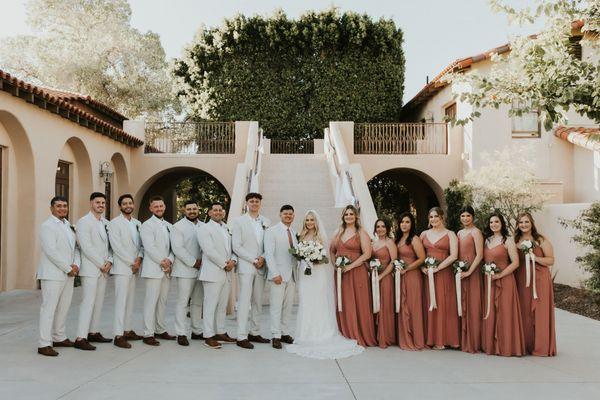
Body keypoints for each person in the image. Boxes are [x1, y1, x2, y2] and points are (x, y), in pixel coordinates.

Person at [285, 210, 363, 359]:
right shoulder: (300, 236)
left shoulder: (321, 237)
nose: (309, 223)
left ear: (316, 222)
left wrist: (315, 258)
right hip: (305, 273)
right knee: (306, 302)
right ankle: (306, 333)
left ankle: (322, 333)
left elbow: (326, 256)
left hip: (318, 273)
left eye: (311, 220)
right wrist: (304, 257)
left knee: (318, 302)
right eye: (307, 220)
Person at [37, 196, 80, 356]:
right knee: (49, 308)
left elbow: (75, 247)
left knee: (64, 307)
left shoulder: (68, 225)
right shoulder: (47, 226)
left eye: (65, 206)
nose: (62, 208)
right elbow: (50, 251)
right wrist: (67, 267)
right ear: (51, 208)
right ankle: (44, 343)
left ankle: (59, 336)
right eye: (59, 206)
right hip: (52, 274)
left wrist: (76, 265)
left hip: (69, 273)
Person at [329, 205, 377, 347]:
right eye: (346, 214)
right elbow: (332, 250)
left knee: (359, 302)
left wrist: (350, 266)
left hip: (357, 272)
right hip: (341, 274)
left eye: (351, 214)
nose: (349, 216)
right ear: (343, 217)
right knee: (345, 302)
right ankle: (346, 332)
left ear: (356, 216)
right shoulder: (338, 232)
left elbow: (367, 254)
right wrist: (335, 265)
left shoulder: (361, 232)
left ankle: (360, 334)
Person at [481, 212, 526, 357]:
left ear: (502, 224)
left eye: (496, 222)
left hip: (505, 280)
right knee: (491, 312)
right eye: (491, 222)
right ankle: (492, 346)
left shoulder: (508, 240)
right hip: (489, 281)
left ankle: (506, 346)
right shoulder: (486, 241)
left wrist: (500, 274)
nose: (493, 224)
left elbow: (516, 263)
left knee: (505, 312)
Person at [231, 193, 271, 349]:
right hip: (247, 267)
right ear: (247, 203)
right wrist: (254, 259)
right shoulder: (239, 221)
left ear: (260, 203)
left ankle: (255, 332)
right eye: (251, 201)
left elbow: (269, 244)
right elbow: (236, 246)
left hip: (261, 266)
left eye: (257, 201)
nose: (254, 203)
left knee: (257, 301)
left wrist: (262, 257)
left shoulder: (266, 221)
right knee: (244, 301)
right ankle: (241, 336)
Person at [74, 192, 113, 351]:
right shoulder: (84, 222)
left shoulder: (106, 222)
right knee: (88, 302)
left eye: (103, 203)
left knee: (98, 303)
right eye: (98, 202)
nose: (101, 205)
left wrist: (109, 261)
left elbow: (110, 245)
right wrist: (100, 263)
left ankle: (93, 332)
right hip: (91, 269)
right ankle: (80, 337)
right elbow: (86, 246)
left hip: (103, 269)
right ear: (91, 204)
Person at [514, 212, 556, 356]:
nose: (523, 225)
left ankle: (542, 346)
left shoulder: (540, 240)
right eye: (521, 222)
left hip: (540, 278)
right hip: (522, 280)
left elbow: (551, 260)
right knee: (525, 312)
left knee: (540, 312)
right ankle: (526, 345)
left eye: (526, 222)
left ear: (532, 223)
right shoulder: (515, 241)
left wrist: (535, 258)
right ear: (517, 225)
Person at [198, 202, 237, 349]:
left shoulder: (226, 228)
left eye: (220, 210)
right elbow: (208, 250)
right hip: (212, 272)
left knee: (222, 305)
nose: (218, 212)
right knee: (210, 305)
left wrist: (233, 260)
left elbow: (233, 247)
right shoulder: (204, 229)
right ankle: (208, 335)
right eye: (215, 210)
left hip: (226, 272)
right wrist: (224, 264)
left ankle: (220, 331)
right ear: (209, 213)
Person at [108, 194, 144, 349]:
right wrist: (132, 263)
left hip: (134, 267)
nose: (128, 205)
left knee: (130, 301)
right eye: (125, 203)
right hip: (123, 268)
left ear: (133, 205)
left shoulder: (137, 223)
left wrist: (139, 259)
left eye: (130, 203)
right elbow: (116, 247)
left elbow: (142, 245)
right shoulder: (114, 224)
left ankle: (127, 330)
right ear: (120, 206)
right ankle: (118, 335)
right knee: (121, 301)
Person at [420, 207, 459, 349]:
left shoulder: (450, 234)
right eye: (431, 217)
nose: (433, 219)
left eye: (436, 216)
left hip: (443, 273)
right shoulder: (424, 234)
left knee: (444, 303)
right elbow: (418, 254)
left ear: (442, 217)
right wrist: (422, 267)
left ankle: (445, 339)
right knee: (430, 303)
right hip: (427, 274)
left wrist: (438, 268)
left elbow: (454, 255)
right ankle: (431, 338)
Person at [140, 195, 176, 346]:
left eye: (161, 206)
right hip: (154, 269)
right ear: (151, 208)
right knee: (151, 301)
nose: (159, 209)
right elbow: (149, 247)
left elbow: (174, 247)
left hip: (166, 270)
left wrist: (170, 260)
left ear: (164, 207)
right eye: (156, 207)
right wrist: (163, 262)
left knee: (162, 301)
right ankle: (148, 333)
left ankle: (160, 329)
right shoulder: (146, 225)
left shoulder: (169, 225)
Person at [264, 204, 298, 349]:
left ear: (293, 216)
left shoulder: (294, 232)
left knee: (287, 306)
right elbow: (269, 254)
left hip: (292, 275)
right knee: (276, 307)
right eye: (285, 213)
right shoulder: (272, 231)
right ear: (280, 214)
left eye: (290, 214)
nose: (288, 216)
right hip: (278, 276)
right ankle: (275, 335)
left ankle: (284, 332)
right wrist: (275, 273)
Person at [171, 200, 204, 347]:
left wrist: (202, 264)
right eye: (189, 209)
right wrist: (193, 262)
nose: (192, 211)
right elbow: (178, 249)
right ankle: (181, 333)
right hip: (185, 270)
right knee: (183, 302)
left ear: (198, 210)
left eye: (194, 208)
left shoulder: (204, 226)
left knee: (198, 302)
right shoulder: (178, 227)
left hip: (202, 270)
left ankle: (197, 331)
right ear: (184, 211)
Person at [396, 212, 426, 350]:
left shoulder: (414, 239)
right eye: (402, 222)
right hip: (400, 275)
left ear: (412, 224)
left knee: (413, 306)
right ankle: (404, 336)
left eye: (407, 222)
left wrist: (407, 268)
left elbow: (421, 258)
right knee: (403, 304)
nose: (404, 224)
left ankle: (415, 338)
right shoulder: (399, 239)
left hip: (412, 276)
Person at [456, 206, 484, 353]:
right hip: (460, 272)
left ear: (473, 217)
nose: (465, 218)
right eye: (463, 216)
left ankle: (473, 341)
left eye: (468, 215)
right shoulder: (459, 233)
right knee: (462, 303)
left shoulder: (476, 232)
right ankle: (462, 340)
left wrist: (469, 272)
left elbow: (479, 255)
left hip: (472, 272)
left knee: (473, 304)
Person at [371, 219, 397, 348]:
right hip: (374, 278)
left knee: (385, 306)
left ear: (387, 228)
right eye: (378, 227)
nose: (380, 229)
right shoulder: (373, 243)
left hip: (385, 278)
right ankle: (377, 335)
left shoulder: (390, 243)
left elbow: (393, 262)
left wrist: (381, 276)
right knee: (376, 305)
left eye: (383, 226)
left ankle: (386, 337)